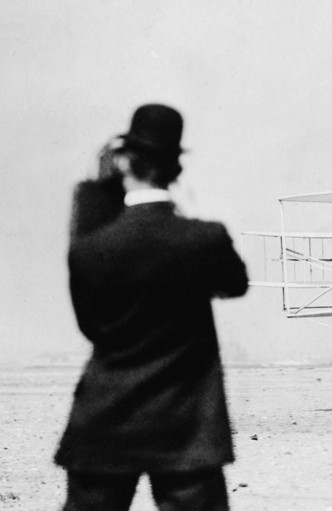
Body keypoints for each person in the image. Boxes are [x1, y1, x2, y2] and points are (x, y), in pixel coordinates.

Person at [55, 104, 249, 511]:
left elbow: (92, 327)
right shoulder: (205, 239)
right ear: (176, 168)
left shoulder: (90, 249)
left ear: (124, 162)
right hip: (188, 426)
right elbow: (236, 284)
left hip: (105, 418)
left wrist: (95, 196)